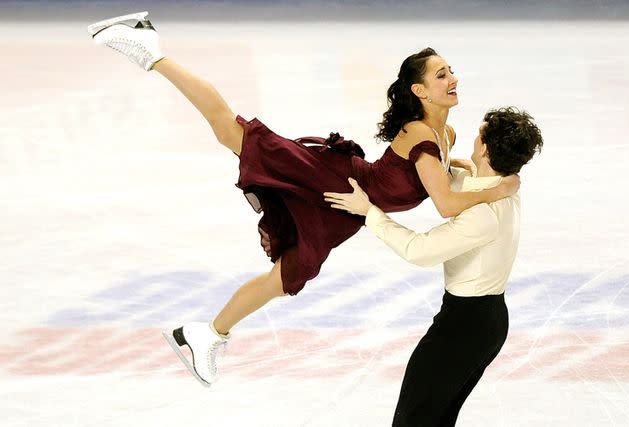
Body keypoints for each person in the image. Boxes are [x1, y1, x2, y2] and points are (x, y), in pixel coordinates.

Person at [87, 11, 519, 387]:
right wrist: (498, 188)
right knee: (233, 133)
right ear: (420, 91)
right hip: (336, 183)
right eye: (441, 74)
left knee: (292, 273)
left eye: (451, 70)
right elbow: (444, 204)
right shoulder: (422, 134)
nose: (453, 78)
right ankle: (149, 49)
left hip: (346, 207)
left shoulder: (445, 135)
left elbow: (436, 175)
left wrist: (463, 166)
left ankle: (206, 335)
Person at [324, 107, 543, 426]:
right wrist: (437, 162)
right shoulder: (502, 187)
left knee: (413, 419)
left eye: (479, 134)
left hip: (465, 327)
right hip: (485, 321)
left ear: (483, 147)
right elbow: (458, 184)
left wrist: (368, 211)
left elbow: (419, 250)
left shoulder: (483, 213)